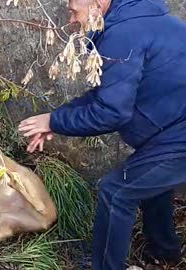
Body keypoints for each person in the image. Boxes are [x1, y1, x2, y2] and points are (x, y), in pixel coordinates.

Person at [17, 0, 186, 269]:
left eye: (74, 11)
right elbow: (103, 96)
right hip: (171, 131)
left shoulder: (122, 35)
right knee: (150, 181)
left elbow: (111, 112)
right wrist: (53, 120)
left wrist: (55, 121)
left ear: (97, 3)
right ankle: (164, 256)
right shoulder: (136, 20)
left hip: (179, 135)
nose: (71, 20)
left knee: (116, 191)